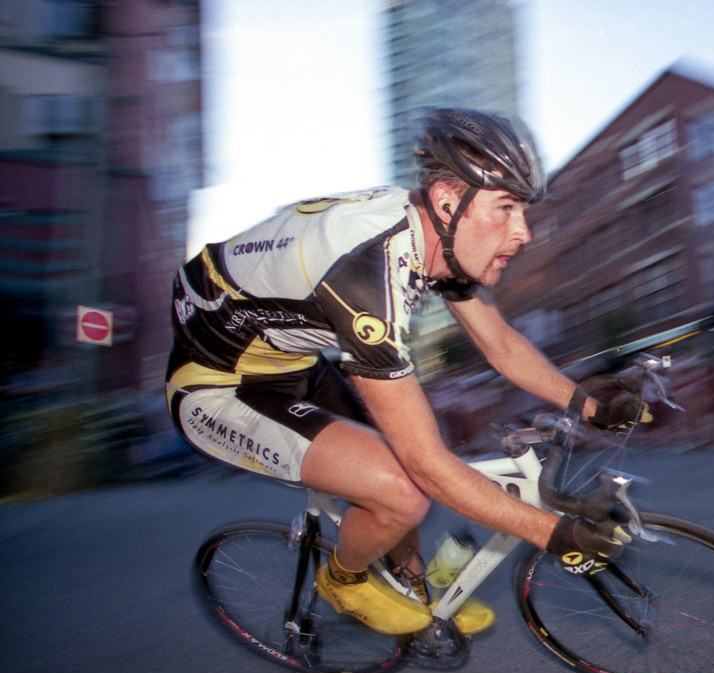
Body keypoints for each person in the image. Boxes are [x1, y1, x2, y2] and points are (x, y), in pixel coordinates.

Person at [166, 108, 639, 637]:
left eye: (523, 211)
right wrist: (556, 534)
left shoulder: (431, 233)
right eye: (506, 208)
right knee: (404, 487)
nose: (523, 232)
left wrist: (593, 407)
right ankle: (343, 580)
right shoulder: (364, 276)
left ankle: (412, 586)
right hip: (217, 389)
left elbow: (502, 345)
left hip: (291, 364)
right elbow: (427, 464)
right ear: (447, 202)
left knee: (397, 467)